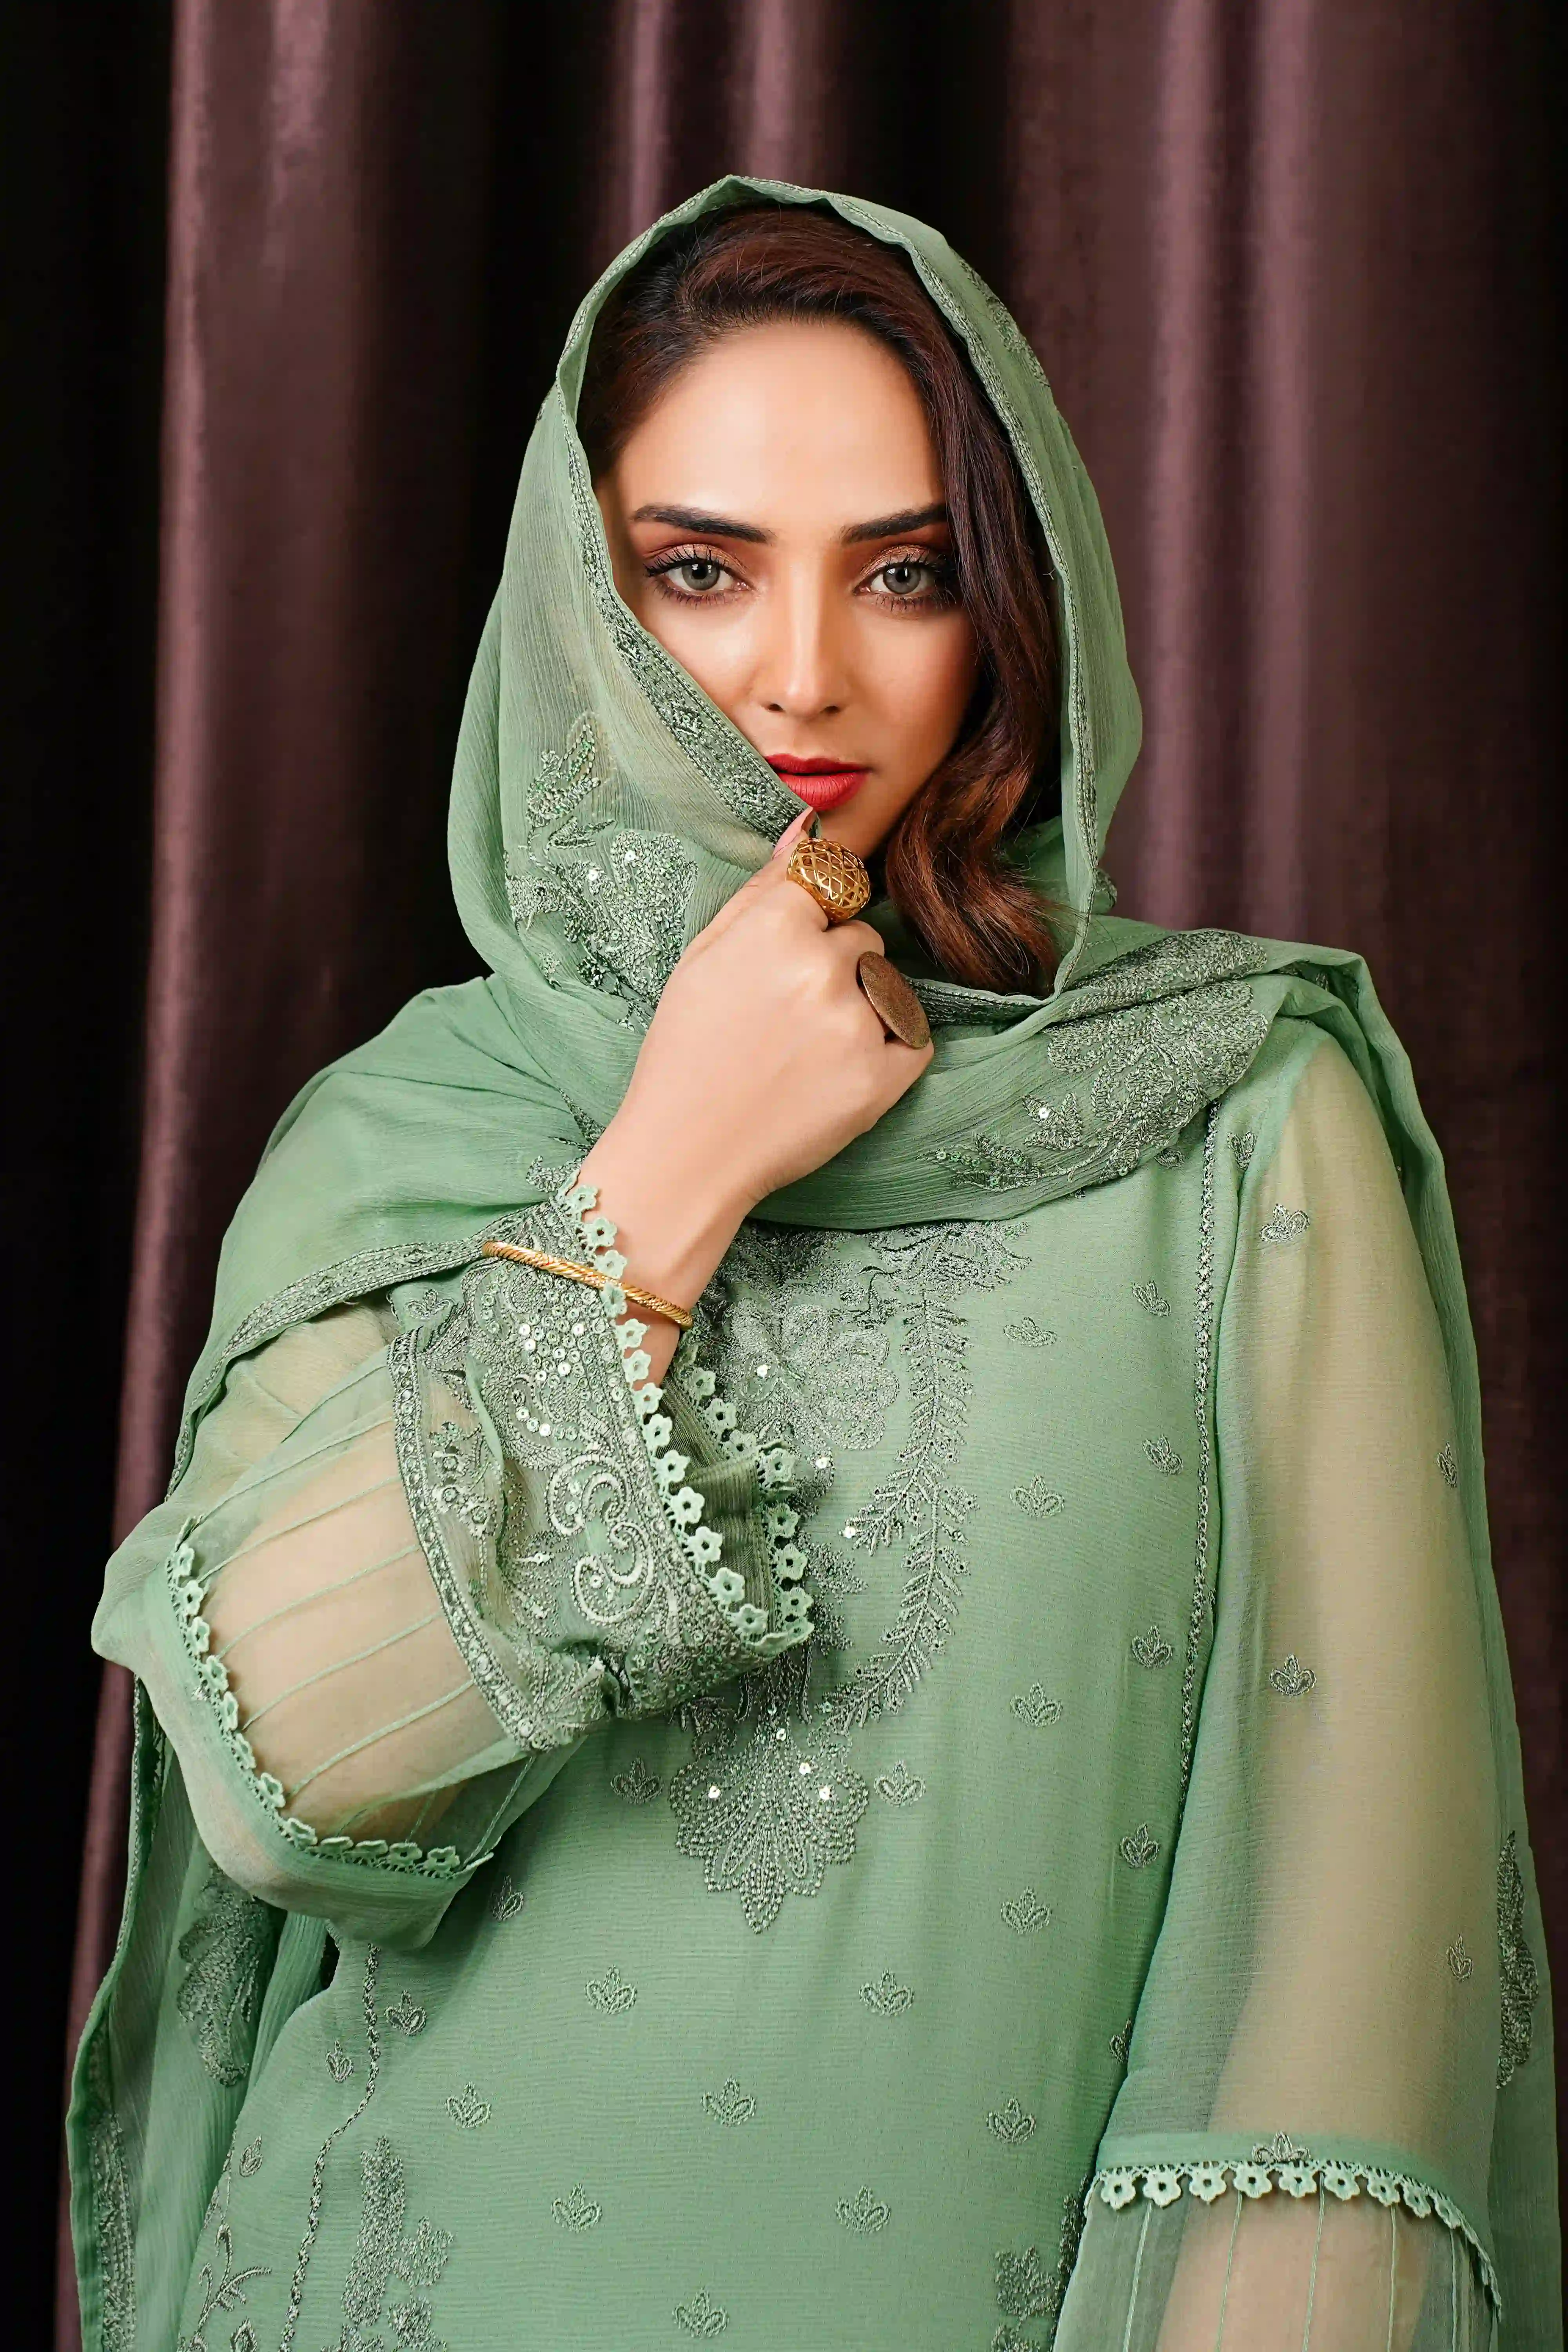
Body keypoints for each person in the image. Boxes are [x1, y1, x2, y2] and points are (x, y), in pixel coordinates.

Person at [70, 180, 1558, 2351]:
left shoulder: (1235, 1113)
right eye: (699, 570)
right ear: (581, 603)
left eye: (908, 572)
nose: (803, 673)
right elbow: (295, 1779)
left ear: (1014, 602)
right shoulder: (412, 1137)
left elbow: (1347, 2007)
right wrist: (664, 1175)